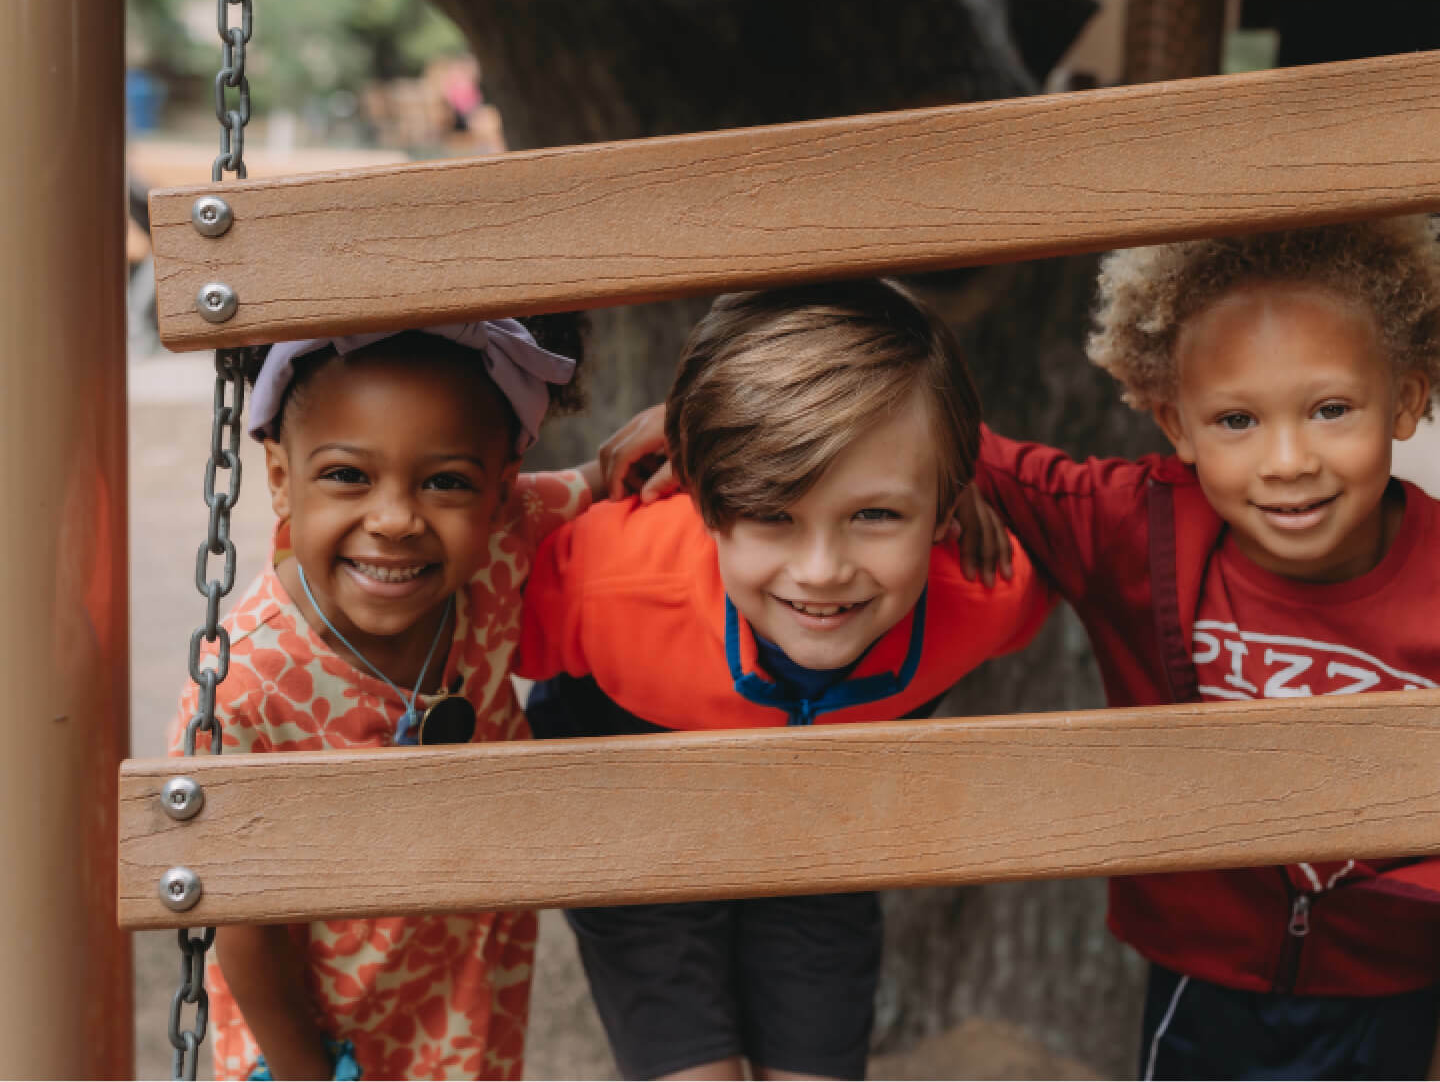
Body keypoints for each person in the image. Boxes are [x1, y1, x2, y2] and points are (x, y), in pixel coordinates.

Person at [514, 278, 1054, 1081]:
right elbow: (463, 594)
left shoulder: (985, 592)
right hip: (639, 819)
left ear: (944, 512)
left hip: (819, 829)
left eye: (875, 516)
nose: (823, 572)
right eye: (773, 512)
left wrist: (970, 469)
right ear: (706, 502)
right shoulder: (610, 586)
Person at [965, 217, 1440, 1079]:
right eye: (1235, 420)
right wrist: (736, 422)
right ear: (1173, 423)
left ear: (1406, 397)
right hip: (1204, 981)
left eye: (1331, 409)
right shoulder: (1136, 532)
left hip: (1394, 984)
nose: (1288, 461)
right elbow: (963, 453)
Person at [168, 319, 615, 1081]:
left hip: (463, 977)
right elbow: (242, 925)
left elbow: (603, 479)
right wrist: (306, 1070)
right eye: (347, 475)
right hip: (311, 1028)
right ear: (280, 477)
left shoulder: (505, 541)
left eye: (445, 481)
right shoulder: (247, 684)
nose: (396, 519)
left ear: (500, 487)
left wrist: (641, 450)